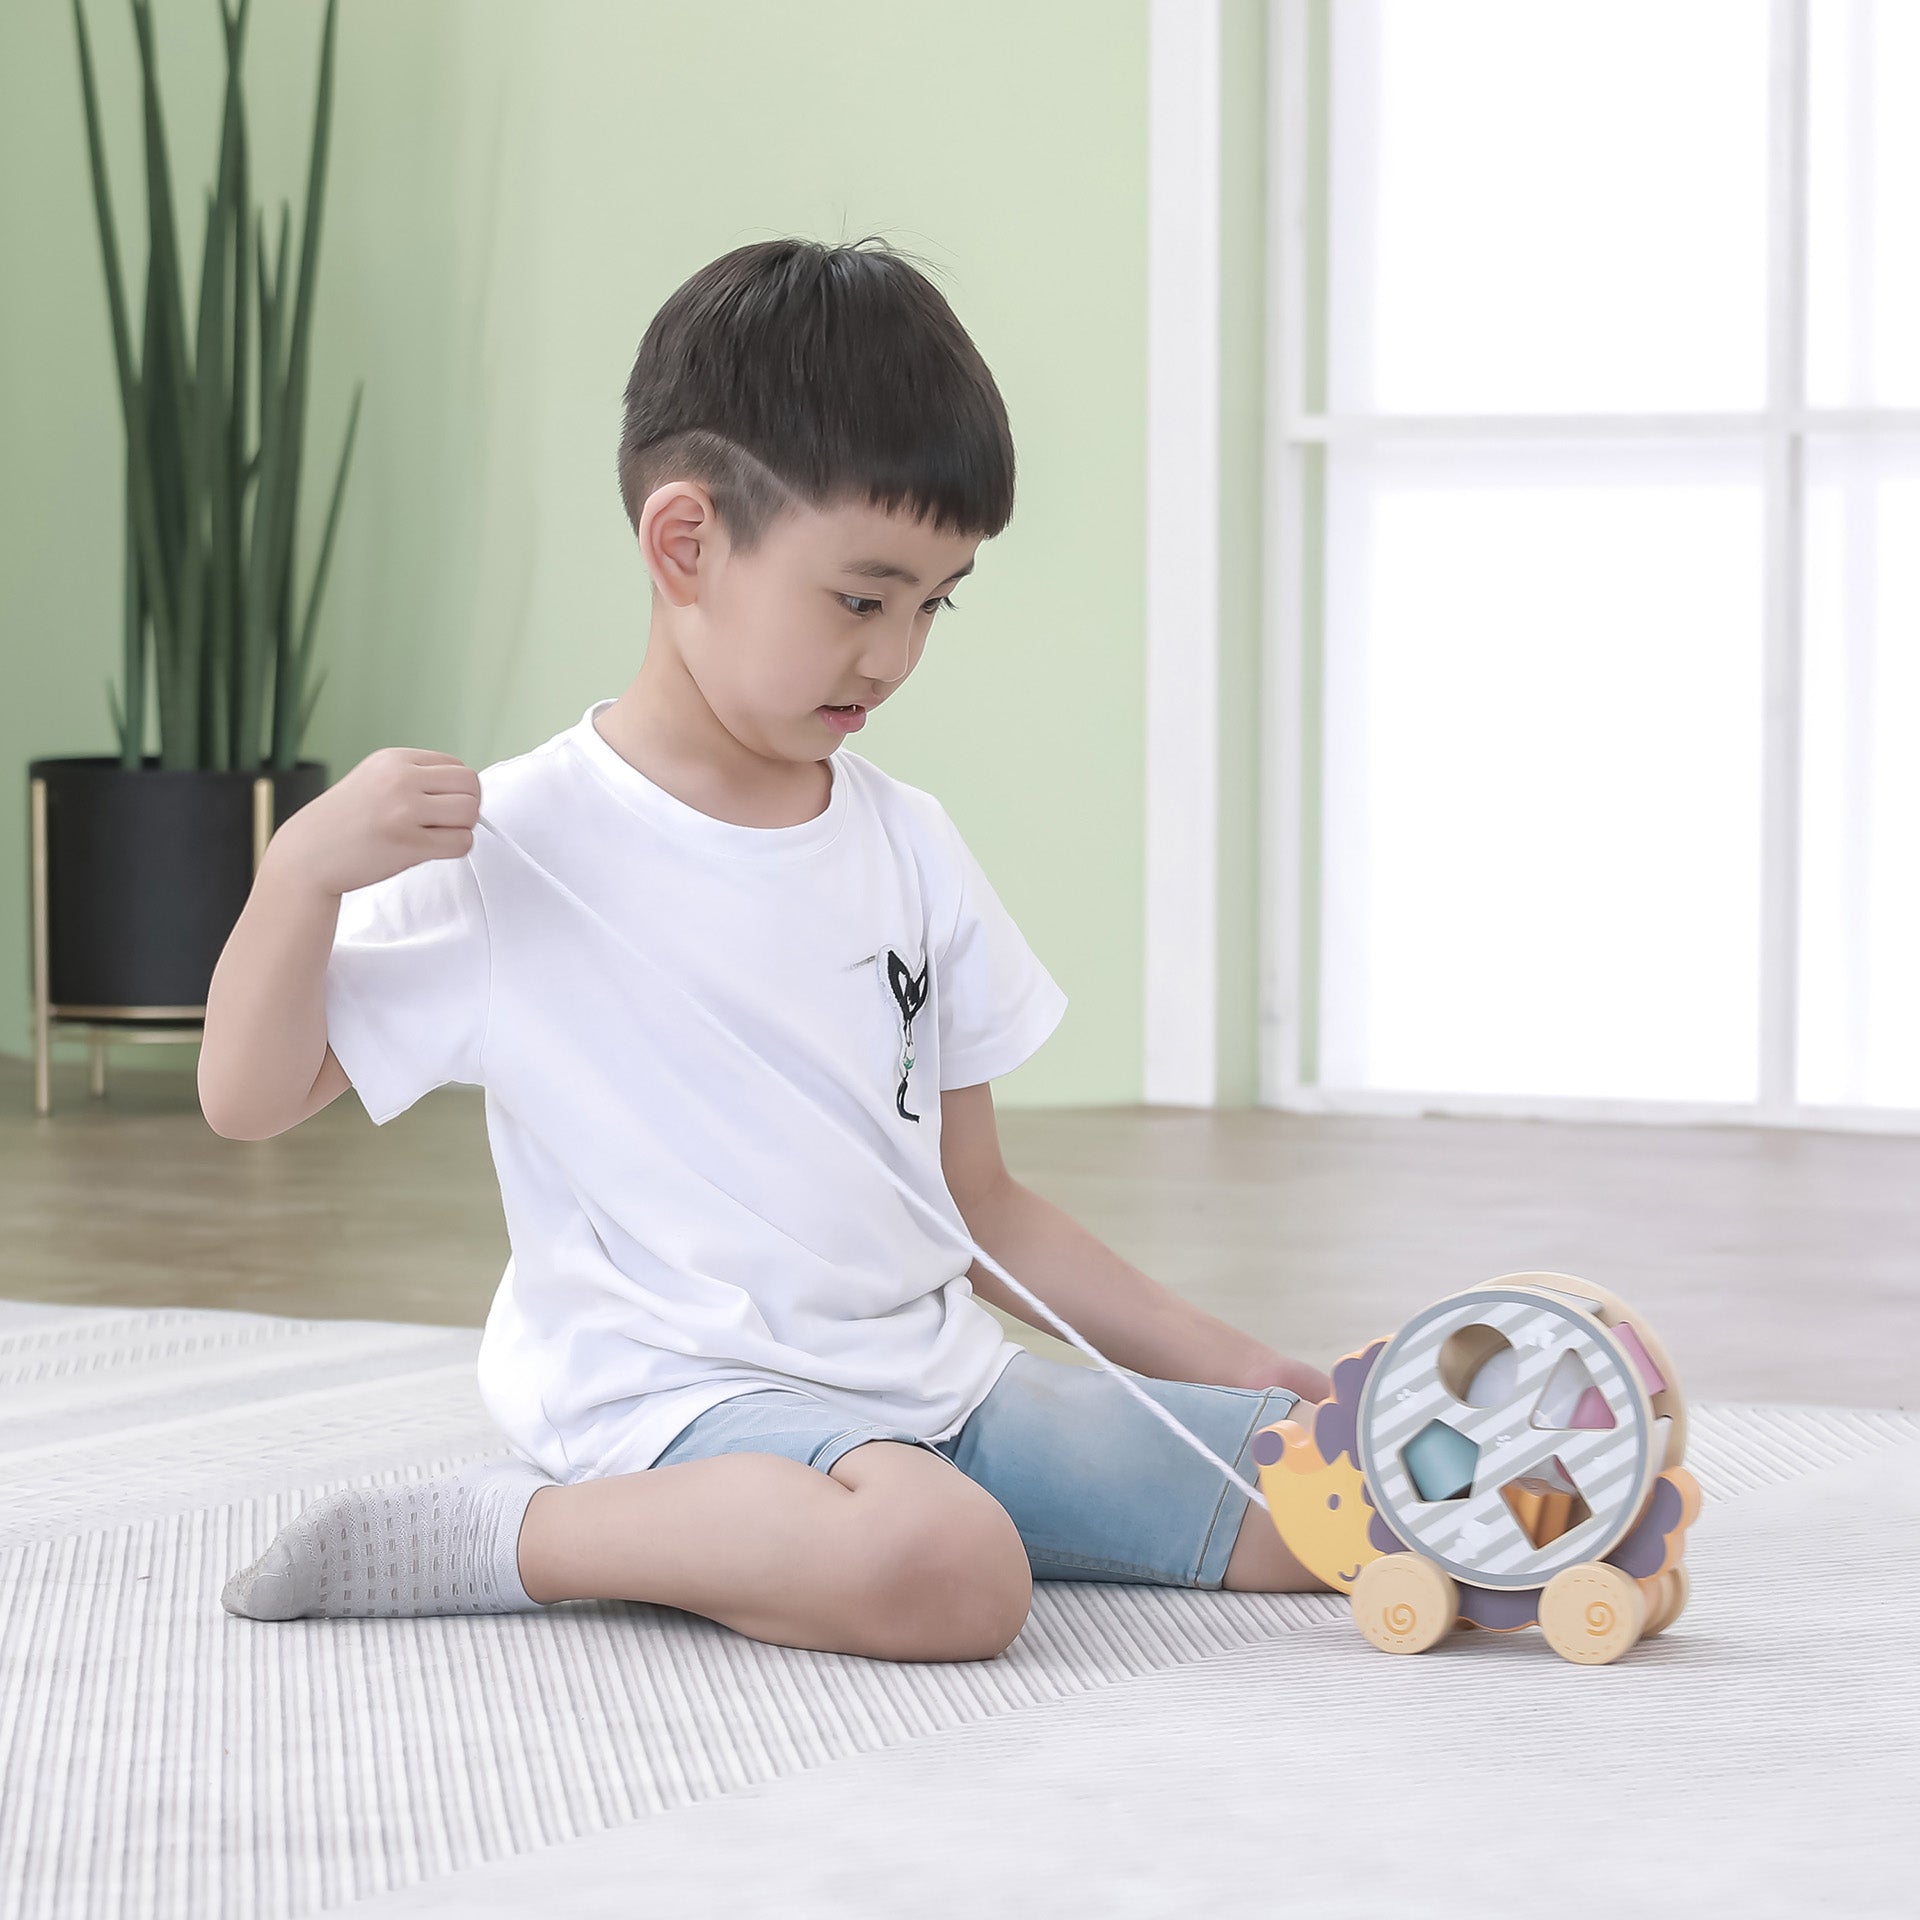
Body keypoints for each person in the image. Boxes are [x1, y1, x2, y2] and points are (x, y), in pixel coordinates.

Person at [198, 236, 1332, 1664]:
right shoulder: (519, 844)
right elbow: (246, 1099)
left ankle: (908, 1501)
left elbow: (980, 1202)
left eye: (934, 604)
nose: (895, 655)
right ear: (685, 545)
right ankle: (516, 1535)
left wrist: (1251, 1373)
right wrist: (300, 875)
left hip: (936, 1392)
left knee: (1326, 1500)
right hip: (679, 1407)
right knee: (949, 1568)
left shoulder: (908, 844)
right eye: (861, 599)